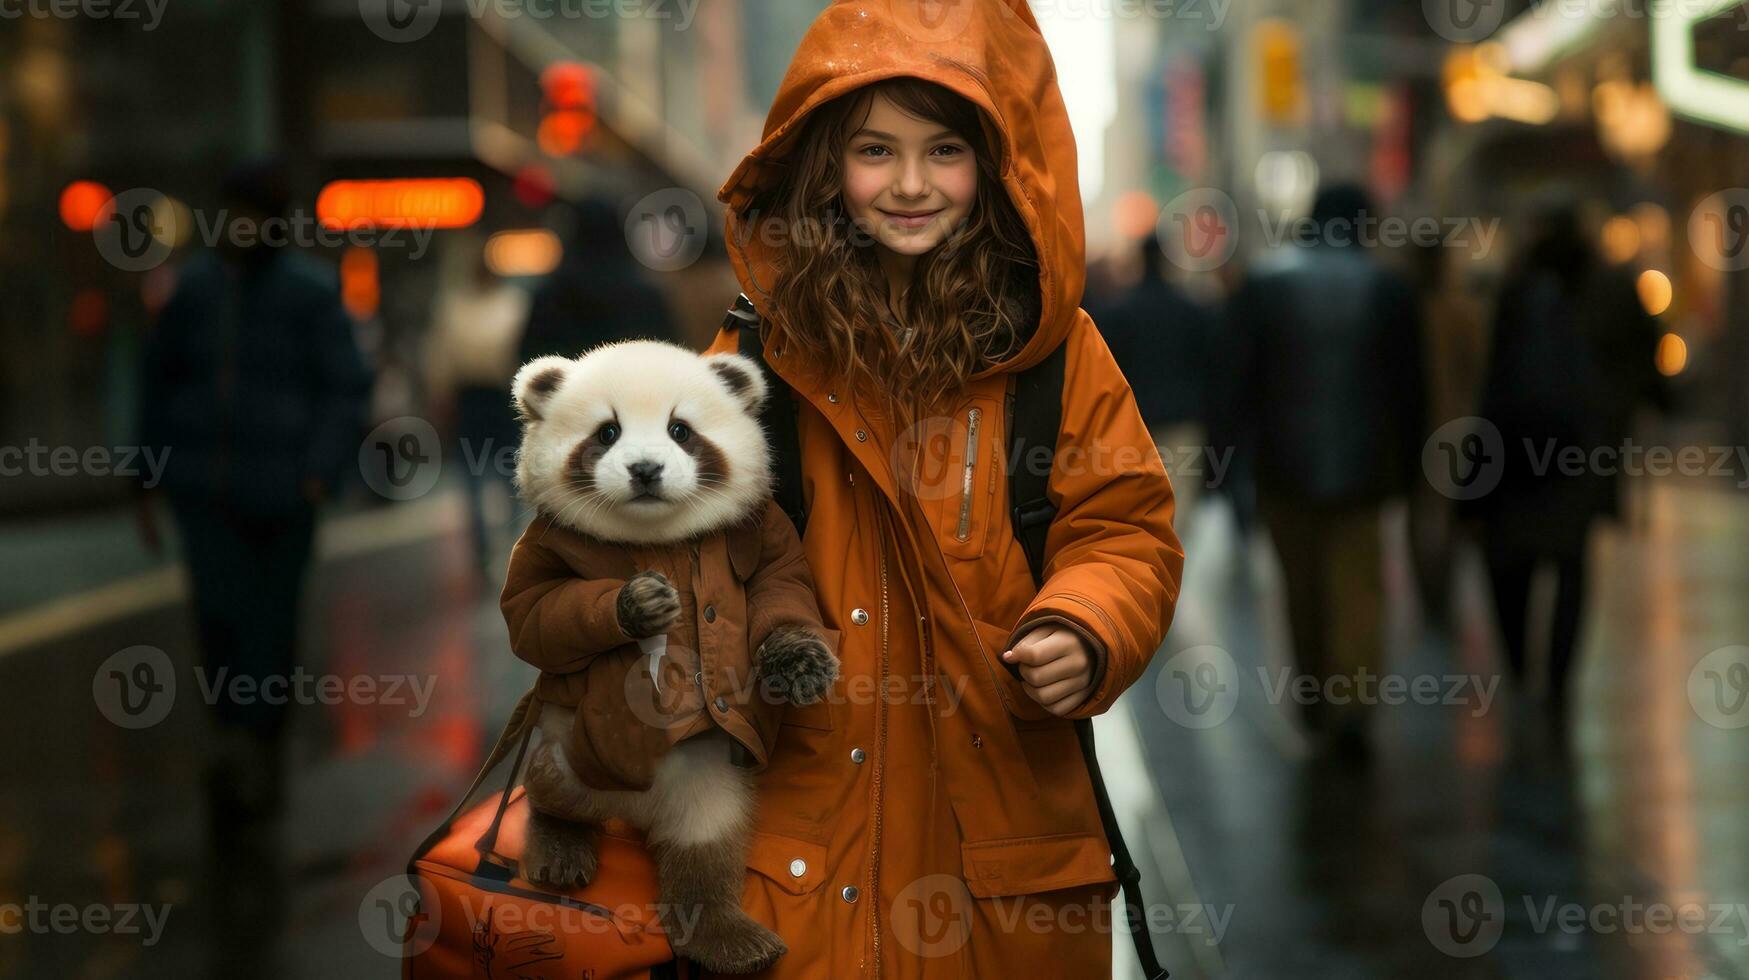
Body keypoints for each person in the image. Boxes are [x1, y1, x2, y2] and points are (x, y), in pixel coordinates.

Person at [698, 2, 1184, 975]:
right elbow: (683, 546)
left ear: (994, 164)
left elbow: (1124, 528)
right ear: (828, 165)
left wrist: (1085, 621)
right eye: (876, 150)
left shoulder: (1054, 355)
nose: (911, 183)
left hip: (1007, 886)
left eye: (945, 150)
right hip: (803, 875)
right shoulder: (754, 358)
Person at [136, 159, 372, 824]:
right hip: (204, 492)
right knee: (216, 616)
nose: (242, 226)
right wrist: (145, 477)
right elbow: (159, 381)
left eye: (254, 214)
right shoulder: (196, 291)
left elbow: (344, 386)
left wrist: (318, 472)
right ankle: (232, 733)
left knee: (271, 624)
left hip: (282, 494)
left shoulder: (309, 292)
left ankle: (260, 739)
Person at [1225, 182, 1426, 756]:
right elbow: (1410, 390)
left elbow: (1236, 381)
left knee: (1301, 589)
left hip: (1282, 467)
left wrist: (1229, 468)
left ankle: (1314, 699)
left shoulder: (1265, 283)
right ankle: (1352, 706)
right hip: (1365, 469)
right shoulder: (1387, 288)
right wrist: (1413, 470)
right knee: (1359, 587)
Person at [1462, 204, 1662, 732]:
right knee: (1571, 565)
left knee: (1512, 566)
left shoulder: (1515, 289)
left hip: (1515, 453)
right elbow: (1651, 356)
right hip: (1586, 451)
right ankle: (1555, 682)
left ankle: (1523, 673)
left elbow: (1493, 381)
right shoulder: (1614, 286)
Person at [1088, 231, 1215, 517]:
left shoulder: (1119, 313)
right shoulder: (1192, 311)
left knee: (1141, 510)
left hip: (1135, 424)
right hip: (1183, 421)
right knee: (1179, 511)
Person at [424, 238, 529, 577]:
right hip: (470, 398)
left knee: (509, 474)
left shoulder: (513, 304)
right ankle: (482, 545)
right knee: (472, 476)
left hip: (505, 397)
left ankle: (512, 540)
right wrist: (440, 394)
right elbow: (441, 355)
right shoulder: (455, 306)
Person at [518, 195, 680, 362]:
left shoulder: (550, 296)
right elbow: (667, 357)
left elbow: (531, 358)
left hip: (571, 386)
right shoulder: (647, 297)